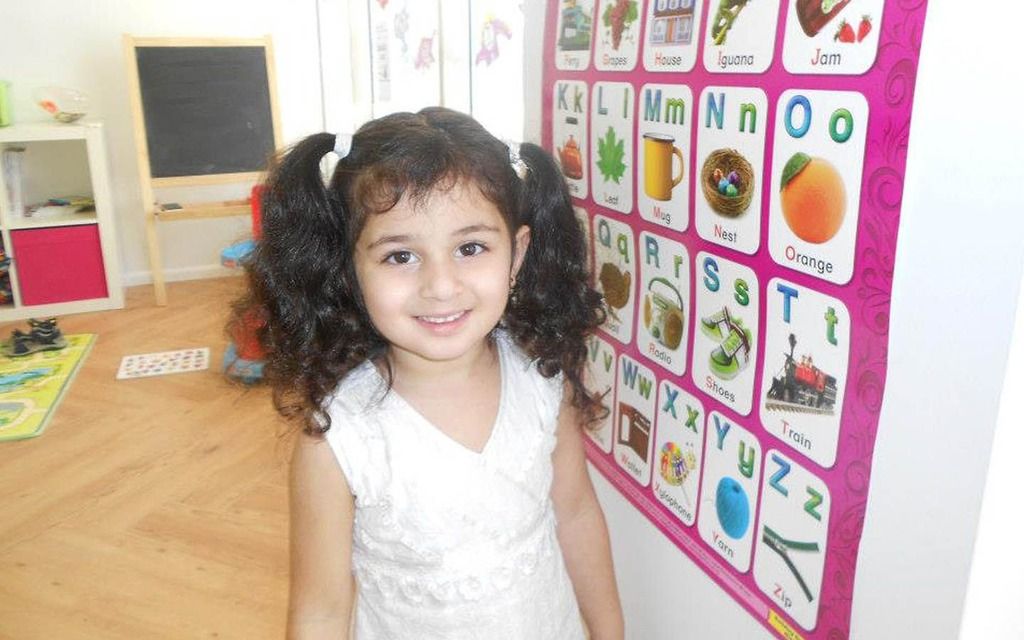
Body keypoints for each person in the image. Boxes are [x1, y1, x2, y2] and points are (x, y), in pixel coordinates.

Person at [236, 107, 623, 639]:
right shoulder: (339, 437)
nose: (440, 286)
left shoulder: (540, 381)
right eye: (400, 257)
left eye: (470, 248)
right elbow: (320, 611)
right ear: (349, 268)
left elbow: (576, 515)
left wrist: (609, 631)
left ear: (516, 255)